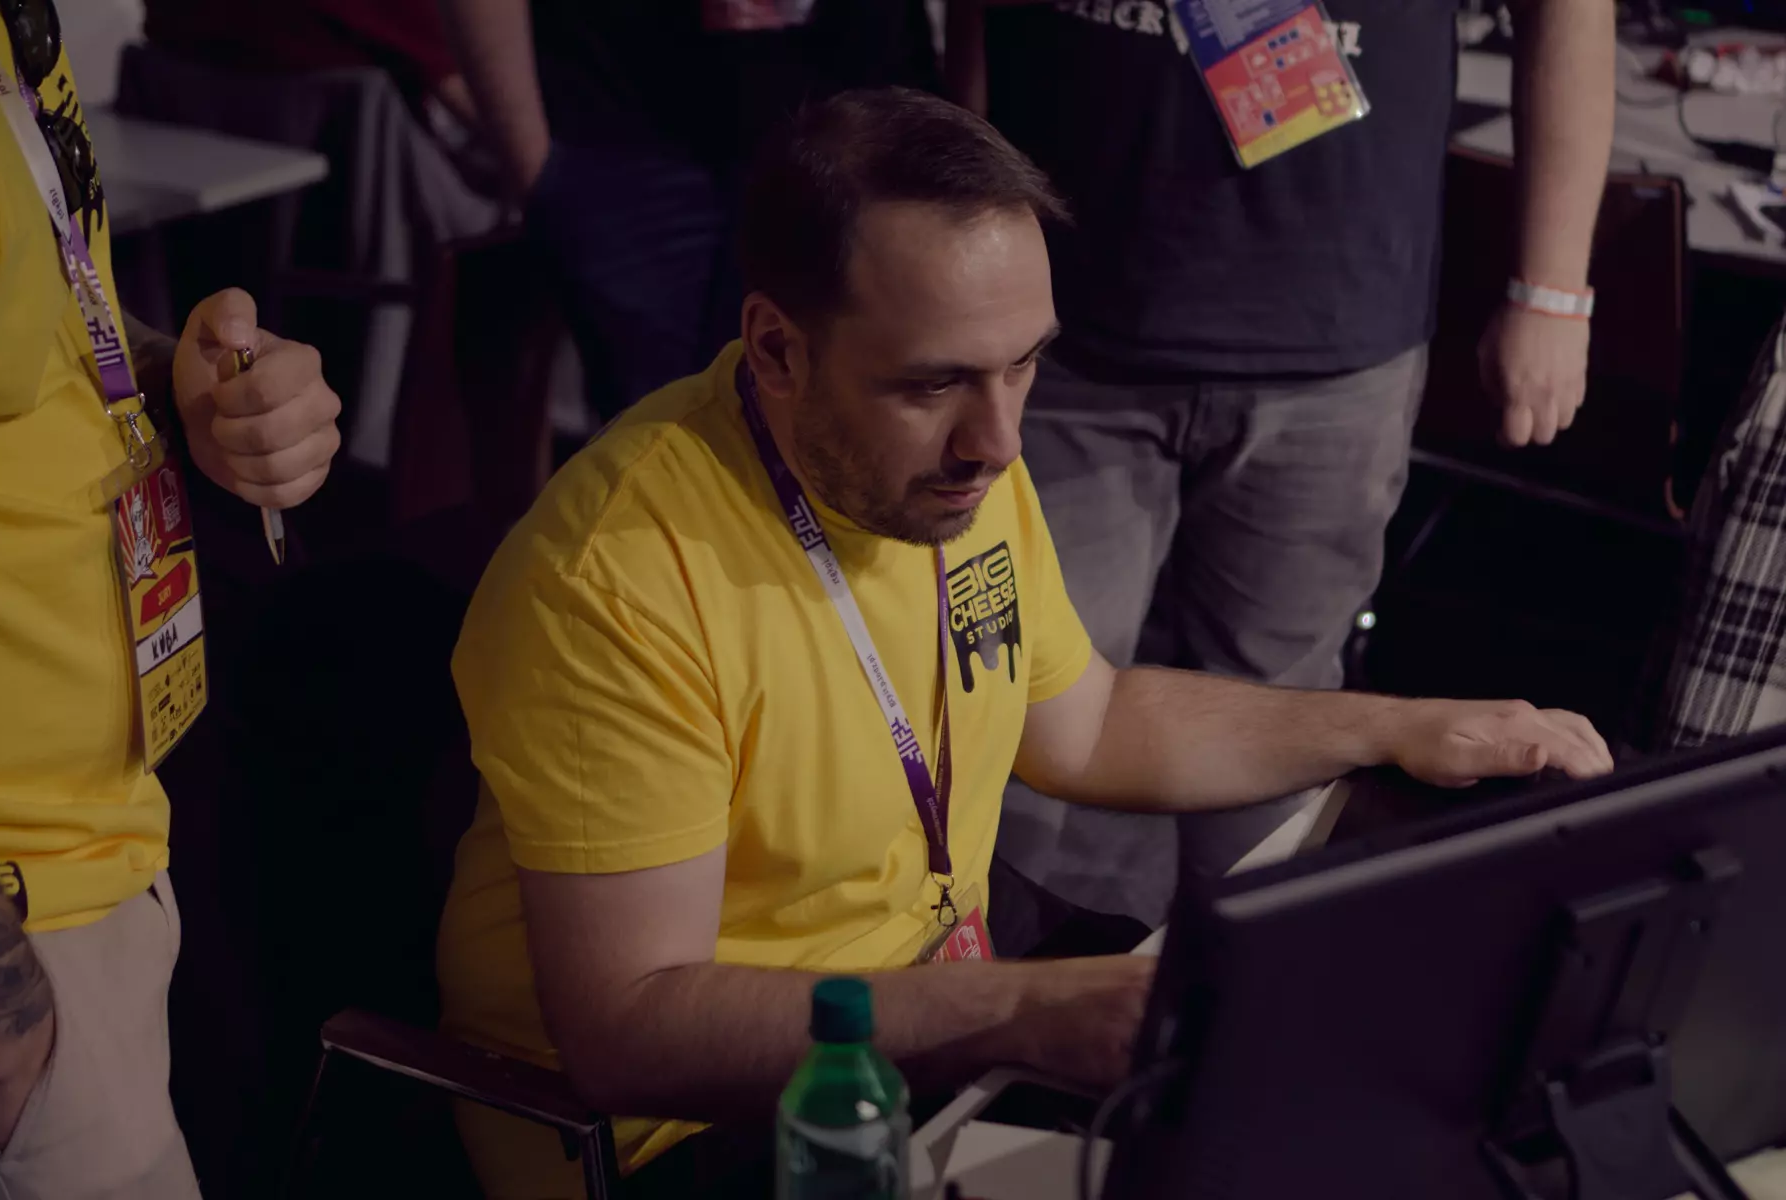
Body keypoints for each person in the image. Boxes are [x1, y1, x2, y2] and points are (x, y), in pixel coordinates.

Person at [435, 87, 1614, 1199]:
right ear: (778, 350)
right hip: (697, 1133)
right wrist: (1023, 1010)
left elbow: (1086, 721)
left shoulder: (941, 472)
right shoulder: (619, 579)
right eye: (934, 384)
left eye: (1024, 364)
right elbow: (631, 1034)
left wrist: (1397, 726)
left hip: (924, 1021)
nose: (997, 441)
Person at [945, 0, 1618, 922]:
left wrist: (1553, 291)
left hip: (1332, 331)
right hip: (1061, 321)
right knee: (1010, 720)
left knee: (1281, 729)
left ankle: (1231, 1000)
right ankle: (1019, 995)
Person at [0, 4, 342, 1195]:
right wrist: (7, 1029)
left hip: (99, 862)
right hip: (22, 932)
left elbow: (39, 340)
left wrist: (170, 381)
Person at [439, 0, 939, 419]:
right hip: (620, 127)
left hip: (852, 108)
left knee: (851, 416)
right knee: (651, 437)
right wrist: (535, 169)